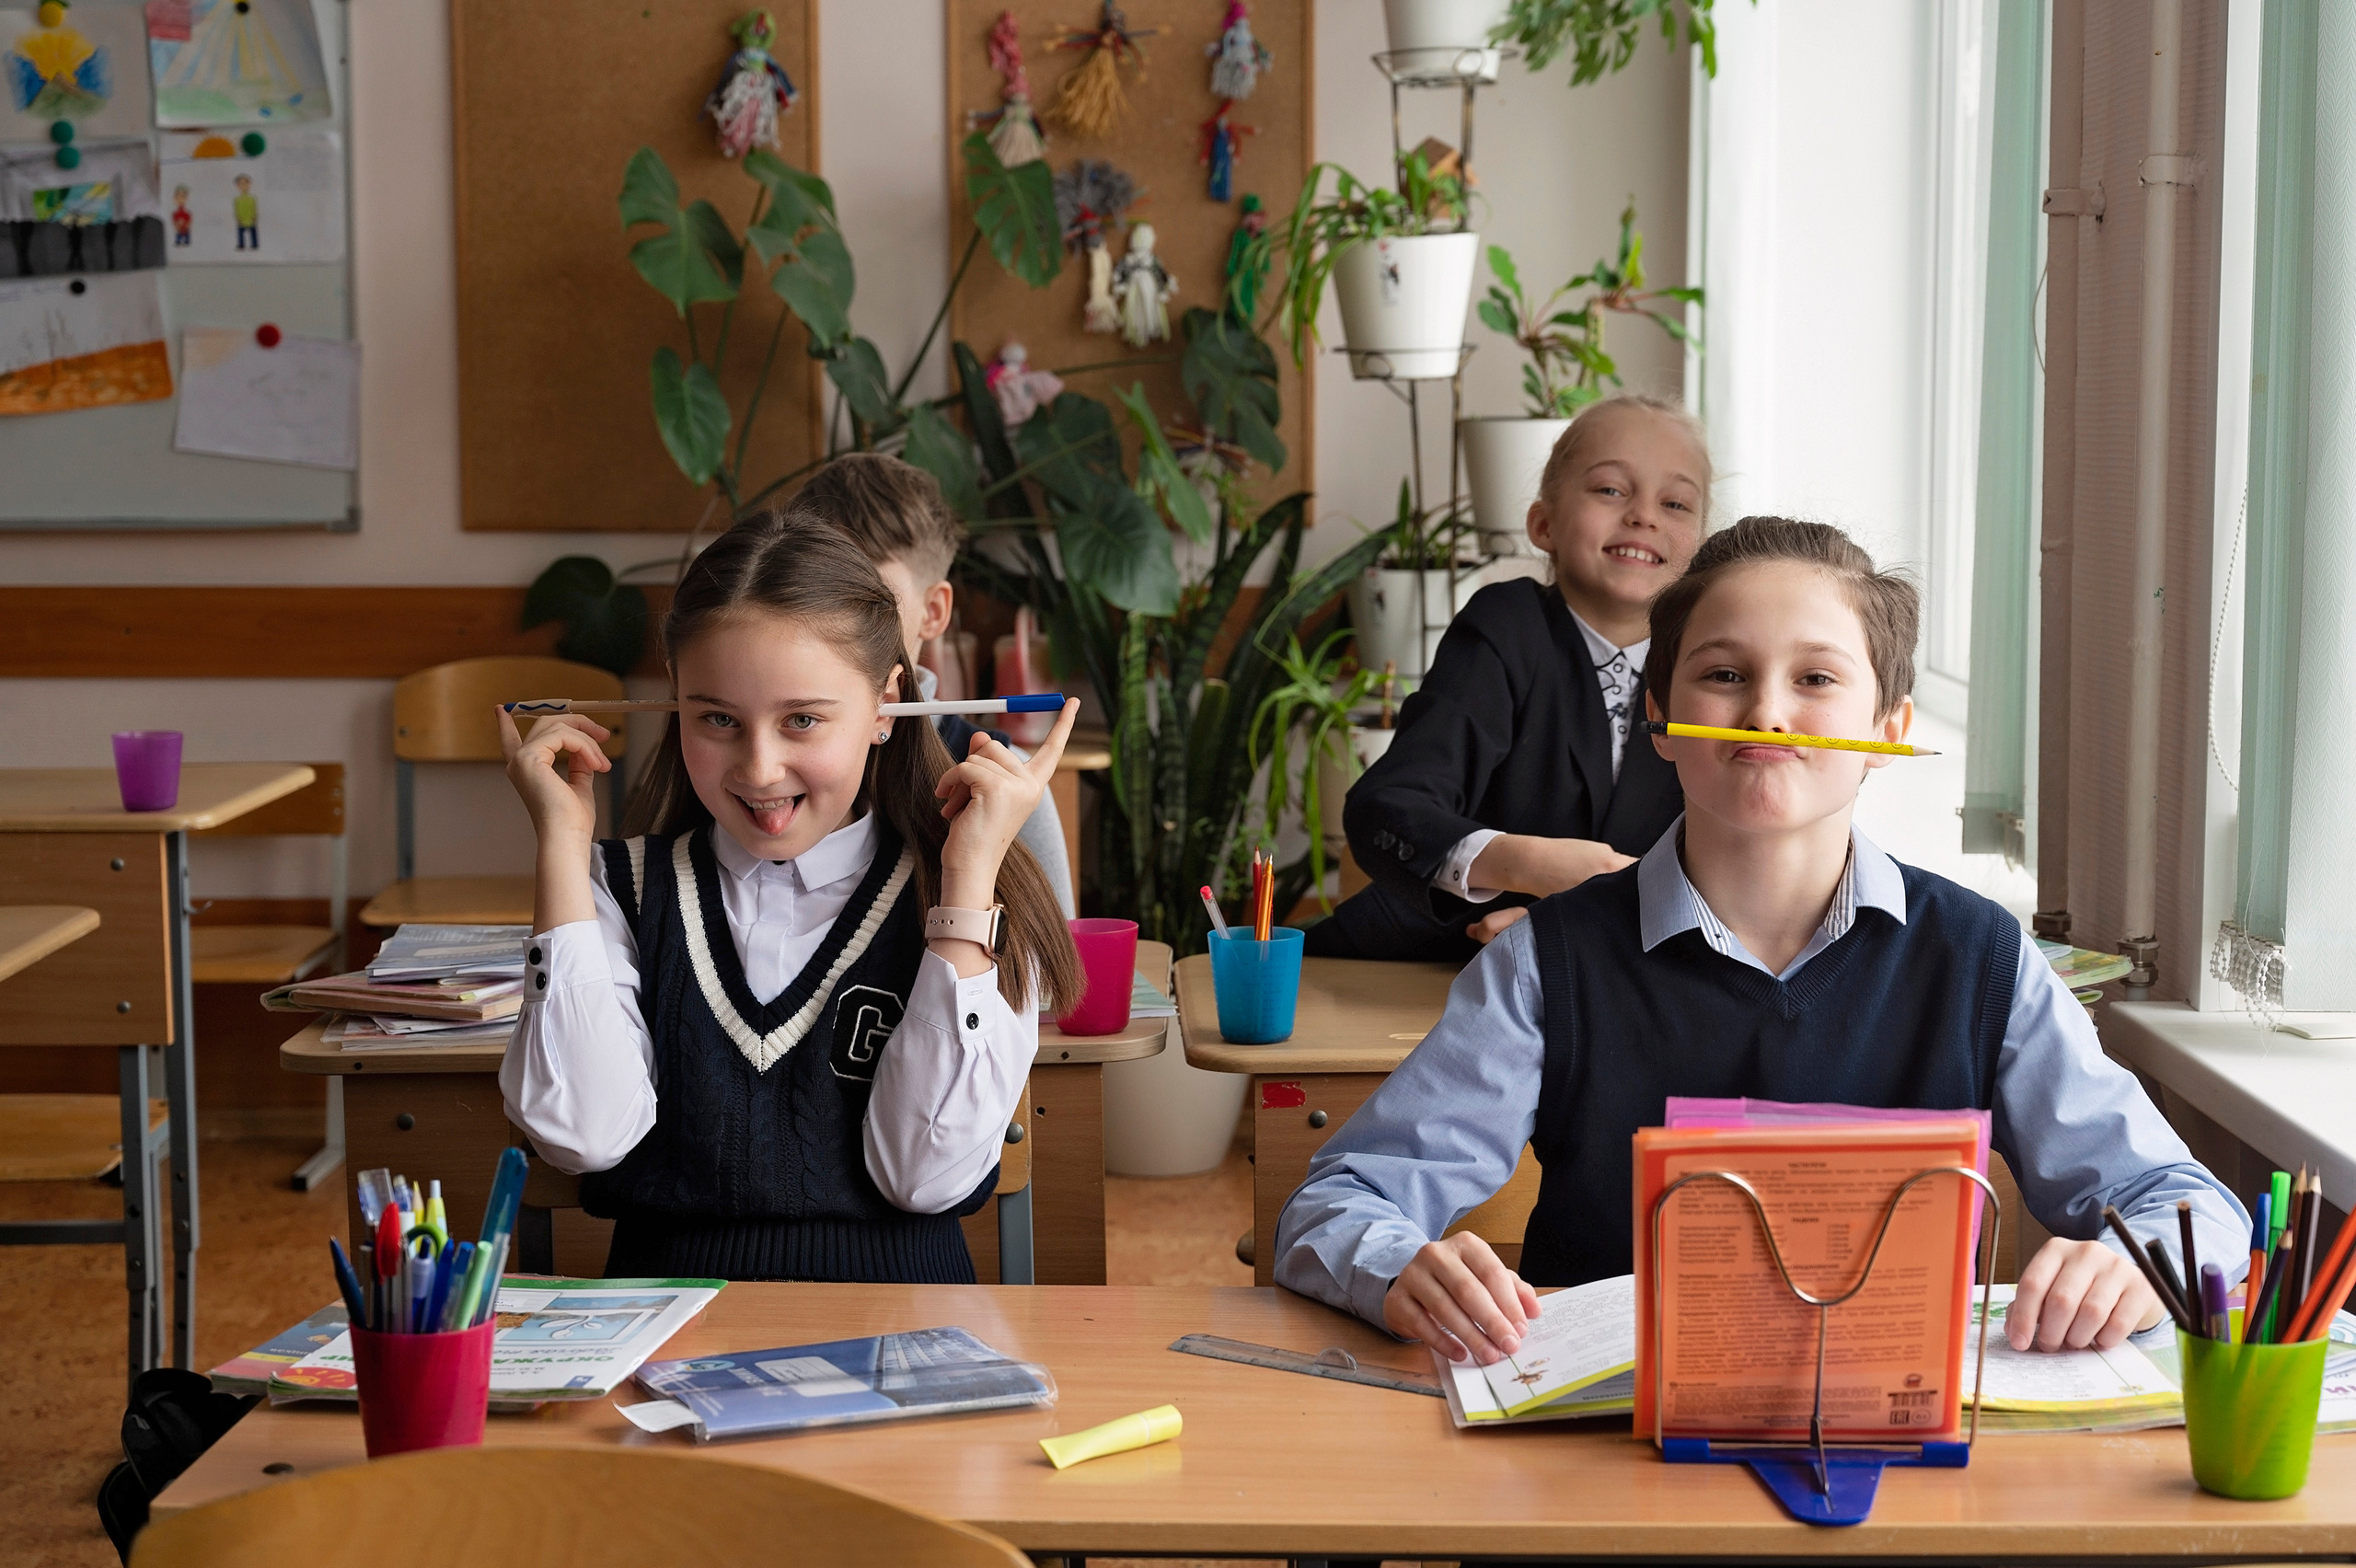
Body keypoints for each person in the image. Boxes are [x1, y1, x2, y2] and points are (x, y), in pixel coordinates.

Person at [1276, 517, 2247, 1358]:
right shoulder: (1546, 961)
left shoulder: (1980, 956)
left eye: (1815, 677)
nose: (1767, 712)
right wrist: (1398, 1265)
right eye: (1723, 674)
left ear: (1889, 726)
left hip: (1900, 1452)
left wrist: (2136, 1264)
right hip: (1602, 1448)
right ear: (1660, 719)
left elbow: (2183, 1199)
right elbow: (1336, 1202)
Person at [497, 513, 1081, 1283]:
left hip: (901, 1324)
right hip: (670, 1324)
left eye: (802, 720)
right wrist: (560, 845)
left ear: (885, 706)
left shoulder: (974, 897)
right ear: (676, 699)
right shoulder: (618, 886)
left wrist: (968, 879)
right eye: (717, 719)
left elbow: (924, 1177)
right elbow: (581, 1134)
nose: (760, 768)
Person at [1308, 394, 1709, 964]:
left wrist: (1568, 927)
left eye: (1675, 503)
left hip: (1615, 972)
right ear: (1543, 524)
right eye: (1610, 490)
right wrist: (1526, 865)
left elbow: (1723, 869)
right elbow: (1387, 808)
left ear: (1701, 552)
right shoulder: (1506, 626)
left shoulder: (1710, 675)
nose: (1644, 515)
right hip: (1422, 965)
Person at [784, 451, 1075, 916]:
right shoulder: (750, 764)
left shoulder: (1005, 780)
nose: (833, 624)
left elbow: (1055, 953)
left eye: (869, 600)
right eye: (813, 594)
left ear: (934, 611)